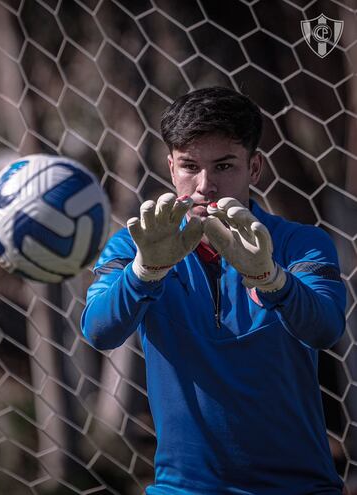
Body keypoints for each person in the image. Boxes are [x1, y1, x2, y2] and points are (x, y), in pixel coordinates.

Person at [81, 87, 346, 495]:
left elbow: (326, 330)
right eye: (190, 166)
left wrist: (271, 279)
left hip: (299, 487)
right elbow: (99, 331)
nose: (205, 185)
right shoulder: (135, 245)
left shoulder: (302, 244)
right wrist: (145, 271)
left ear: (254, 167)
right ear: (170, 168)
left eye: (224, 166)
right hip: (182, 489)